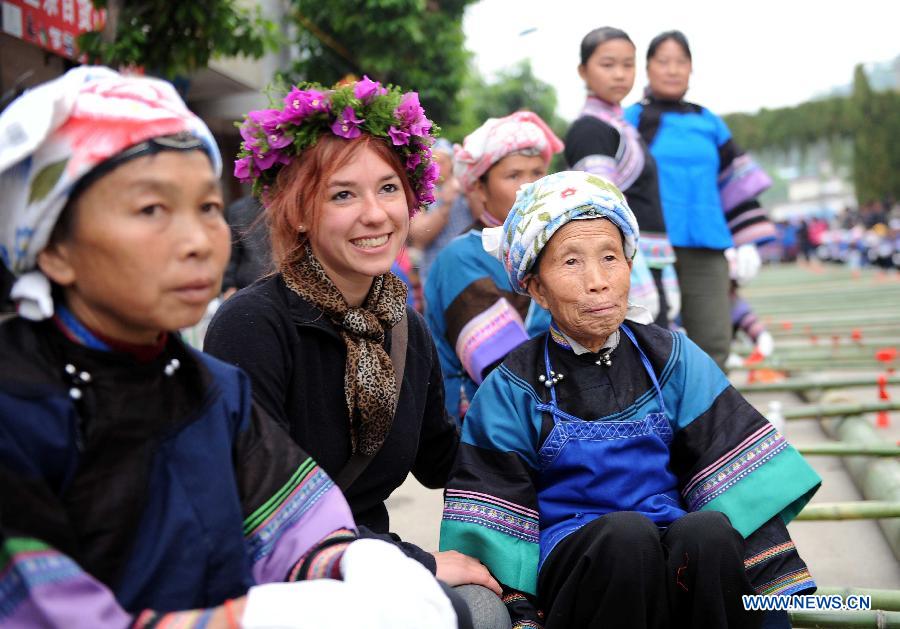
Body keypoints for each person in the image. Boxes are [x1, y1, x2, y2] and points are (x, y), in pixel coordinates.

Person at [0, 67, 463, 629]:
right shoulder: (17, 405)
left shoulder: (209, 388)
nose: (199, 241)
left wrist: (358, 559)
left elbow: (294, 523)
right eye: (152, 210)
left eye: (207, 208)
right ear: (53, 248)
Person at [439, 171, 821, 628]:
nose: (597, 281)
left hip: (673, 561)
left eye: (609, 257)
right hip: (580, 573)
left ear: (629, 264)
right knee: (626, 537)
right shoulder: (511, 386)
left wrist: (771, 598)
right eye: (571, 263)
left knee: (709, 531)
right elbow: (494, 532)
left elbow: (737, 488)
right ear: (537, 288)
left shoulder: (672, 357)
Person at [203, 77, 508, 628]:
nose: (375, 214)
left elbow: (446, 461)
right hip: (280, 578)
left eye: (389, 189)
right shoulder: (251, 325)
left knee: (495, 606)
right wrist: (417, 563)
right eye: (343, 194)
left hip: (376, 564)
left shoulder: (405, 329)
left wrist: (551, 416)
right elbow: (257, 509)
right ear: (297, 211)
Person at [625, 31, 777, 368]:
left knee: (713, 343)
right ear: (648, 68)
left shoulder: (709, 122)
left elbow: (734, 183)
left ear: (691, 69)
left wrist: (747, 242)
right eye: (663, 61)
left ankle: (710, 419)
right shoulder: (631, 120)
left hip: (707, 247)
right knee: (650, 342)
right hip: (647, 250)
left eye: (681, 62)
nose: (672, 70)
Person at [424, 111, 562, 420]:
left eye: (537, 173)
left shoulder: (552, 248)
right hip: (486, 431)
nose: (530, 188)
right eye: (514, 176)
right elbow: (505, 368)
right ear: (480, 188)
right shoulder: (460, 259)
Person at [565, 26, 679, 328]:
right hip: (629, 267)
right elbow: (604, 211)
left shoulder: (622, 127)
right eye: (607, 64)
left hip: (648, 261)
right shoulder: (590, 130)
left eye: (628, 65)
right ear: (583, 71)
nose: (619, 74)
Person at [409, 138, 471, 282]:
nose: (436, 166)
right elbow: (419, 234)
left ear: (452, 164)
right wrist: (446, 205)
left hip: (467, 268)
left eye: (442, 162)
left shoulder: (465, 187)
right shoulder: (420, 191)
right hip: (436, 273)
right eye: (432, 162)